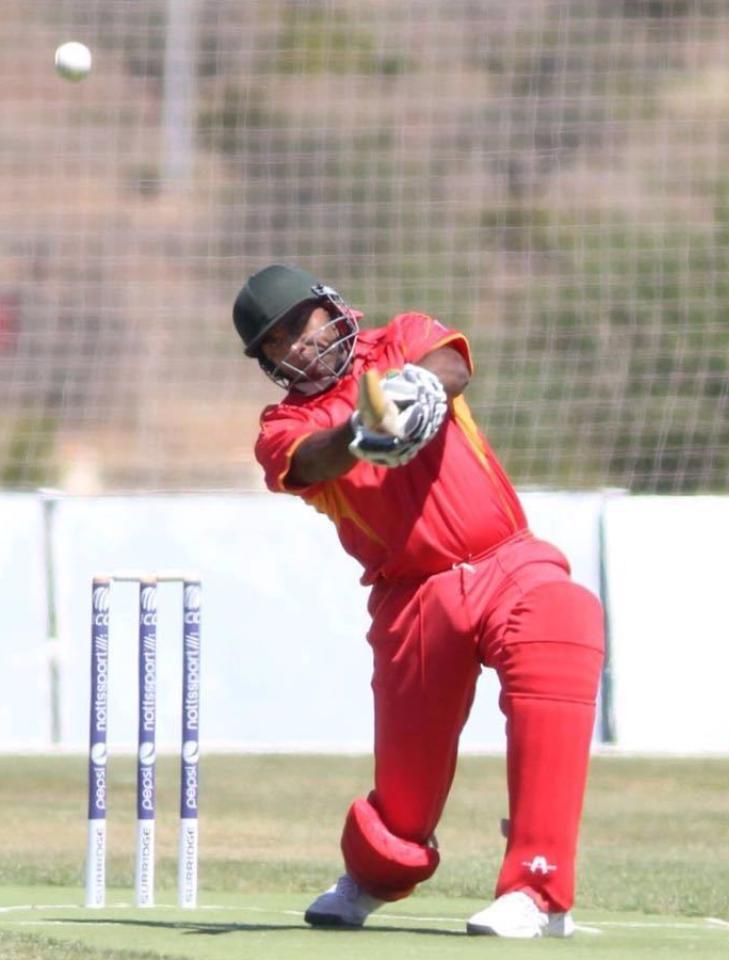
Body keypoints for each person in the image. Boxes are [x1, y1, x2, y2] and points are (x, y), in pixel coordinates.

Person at [233, 263, 606, 938]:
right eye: (276, 342)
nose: (296, 345)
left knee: (563, 621)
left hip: (506, 559)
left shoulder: (399, 339)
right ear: (267, 362)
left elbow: (451, 364)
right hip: (413, 598)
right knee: (404, 803)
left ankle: (538, 890)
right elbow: (310, 461)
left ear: (331, 308)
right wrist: (360, 433)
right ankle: (375, 875)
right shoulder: (284, 424)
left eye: (300, 324)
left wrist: (415, 388)